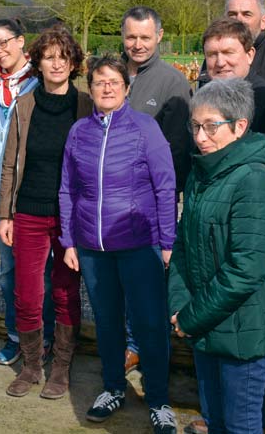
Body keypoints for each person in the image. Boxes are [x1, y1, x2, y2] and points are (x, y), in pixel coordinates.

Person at [59, 54, 177, 433]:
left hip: (139, 244)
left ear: (127, 88)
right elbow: (68, 188)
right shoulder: (79, 132)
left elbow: (165, 185)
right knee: (107, 323)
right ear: (89, 88)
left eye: (113, 81)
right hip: (93, 248)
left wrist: (167, 241)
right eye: (98, 82)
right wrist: (69, 239)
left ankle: (158, 399)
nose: (106, 87)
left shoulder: (146, 129)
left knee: (149, 323)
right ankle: (112, 387)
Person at [169, 78, 265, 434]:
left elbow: (248, 268)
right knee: (216, 420)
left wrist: (192, 316)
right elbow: (183, 246)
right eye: (195, 126)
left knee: (244, 425)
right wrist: (180, 305)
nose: (200, 137)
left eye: (211, 127)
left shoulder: (253, 179)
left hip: (244, 332)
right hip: (204, 328)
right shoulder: (201, 175)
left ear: (240, 127)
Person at [0, 25, 92, 399]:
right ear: (37, 61)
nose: (56, 63)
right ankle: (32, 364)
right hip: (30, 213)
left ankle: (61, 370)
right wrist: (6, 214)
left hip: (70, 216)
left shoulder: (84, 105)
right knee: (27, 292)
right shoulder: (24, 105)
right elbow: (9, 165)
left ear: (73, 63)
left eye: (63, 57)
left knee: (66, 291)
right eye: (49, 56)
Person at [0, 18, 56, 366]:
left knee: (40, 270)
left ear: (21, 41)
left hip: (29, 189)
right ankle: (16, 335)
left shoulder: (39, 83)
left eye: (5, 42)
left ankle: (47, 337)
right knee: (9, 270)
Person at [120, 5, 192, 374]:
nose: (137, 44)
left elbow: (176, 150)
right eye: (131, 36)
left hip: (148, 202)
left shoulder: (172, 82)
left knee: (149, 282)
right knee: (119, 281)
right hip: (111, 201)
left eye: (145, 37)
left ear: (159, 37)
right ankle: (127, 342)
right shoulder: (110, 72)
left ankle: (145, 350)